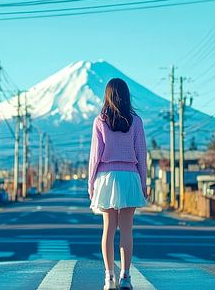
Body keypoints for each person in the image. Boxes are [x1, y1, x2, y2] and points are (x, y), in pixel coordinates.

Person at [88, 78, 148, 290]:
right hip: (130, 176)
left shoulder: (100, 121)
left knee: (108, 229)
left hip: (106, 178)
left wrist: (91, 184)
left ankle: (109, 277)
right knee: (127, 231)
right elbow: (142, 154)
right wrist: (144, 182)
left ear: (107, 96)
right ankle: (126, 277)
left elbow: (95, 156)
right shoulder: (136, 121)